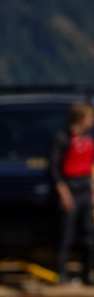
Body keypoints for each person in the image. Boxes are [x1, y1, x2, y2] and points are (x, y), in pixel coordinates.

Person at [50, 102, 94, 285]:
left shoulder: (87, 138)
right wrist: (63, 193)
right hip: (69, 189)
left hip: (84, 190)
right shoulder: (61, 137)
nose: (91, 121)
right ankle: (61, 274)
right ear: (80, 118)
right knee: (65, 234)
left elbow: (89, 167)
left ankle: (87, 273)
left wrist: (92, 190)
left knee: (88, 234)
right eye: (89, 117)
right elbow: (53, 168)